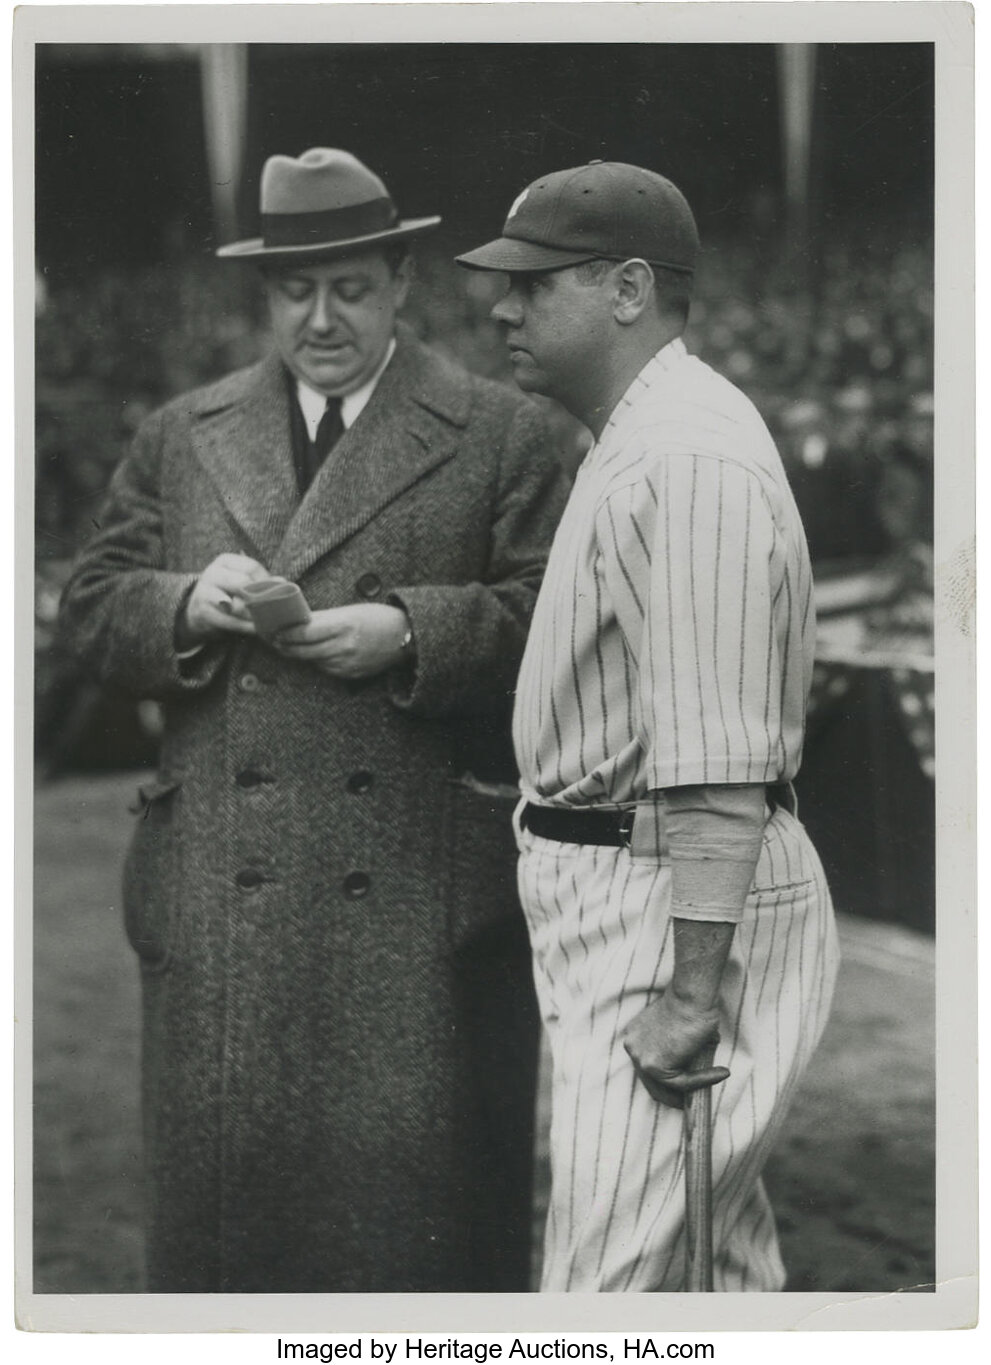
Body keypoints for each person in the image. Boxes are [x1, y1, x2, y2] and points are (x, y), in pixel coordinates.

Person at [59, 147, 568, 1293]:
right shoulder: (182, 432)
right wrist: (186, 599)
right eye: (297, 291)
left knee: (414, 1256)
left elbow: (565, 625)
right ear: (264, 297)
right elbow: (88, 612)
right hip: (218, 917)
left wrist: (416, 633)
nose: (322, 318)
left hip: (416, 914)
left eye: (349, 286)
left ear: (400, 282)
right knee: (234, 1264)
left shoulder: (505, 434)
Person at [457, 161, 840, 1292]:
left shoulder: (683, 453)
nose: (501, 306)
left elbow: (719, 767)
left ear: (629, 290)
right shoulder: (645, 429)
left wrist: (689, 995)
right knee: (709, 1276)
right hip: (634, 883)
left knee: (604, 1298)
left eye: (534, 284)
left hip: (668, 896)